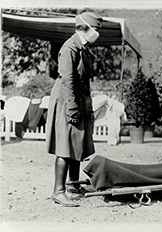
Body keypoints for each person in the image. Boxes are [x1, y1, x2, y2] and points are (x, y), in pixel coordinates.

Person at [46, 12, 103, 207]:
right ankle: (58, 191)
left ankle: (73, 184)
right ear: (85, 28)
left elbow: (84, 80)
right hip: (66, 100)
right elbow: (67, 81)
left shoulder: (84, 49)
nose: (98, 33)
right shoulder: (69, 48)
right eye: (96, 29)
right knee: (65, 146)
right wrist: (72, 108)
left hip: (78, 100)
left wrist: (86, 105)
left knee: (77, 143)